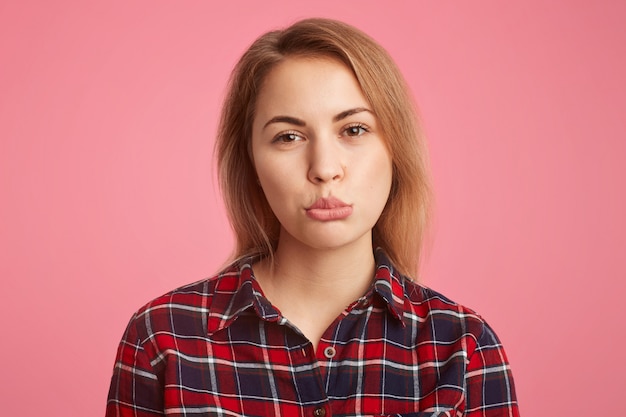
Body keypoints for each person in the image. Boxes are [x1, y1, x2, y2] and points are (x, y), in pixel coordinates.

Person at [106, 18, 519, 417]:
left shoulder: (463, 348)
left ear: (396, 151)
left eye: (354, 130)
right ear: (251, 162)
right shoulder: (162, 338)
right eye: (288, 137)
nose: (324, 168)